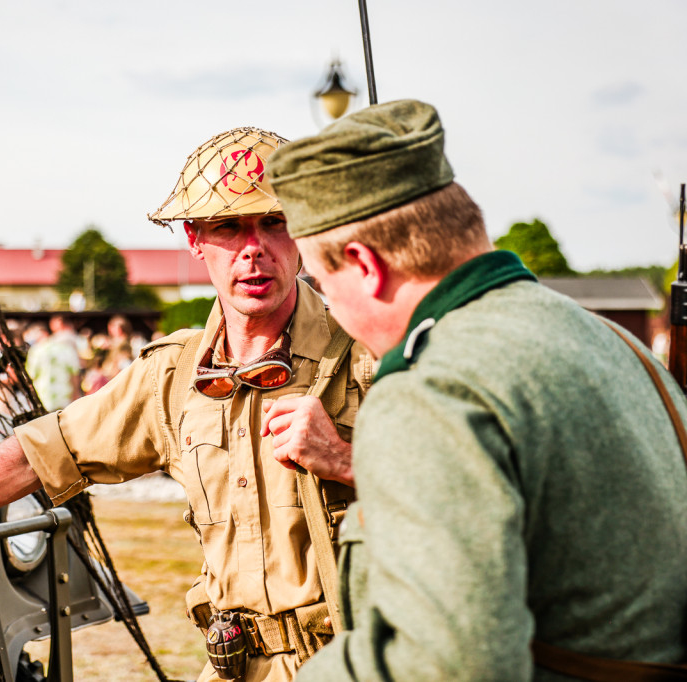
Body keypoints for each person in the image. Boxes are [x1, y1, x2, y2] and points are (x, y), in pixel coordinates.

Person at [0, 127, 371, 682]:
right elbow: (34, 456)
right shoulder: (172, 377)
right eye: (228, 225)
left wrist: (347, 461)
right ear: (194, 238)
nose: (254, 247)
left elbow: (458, 506)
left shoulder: (370, 360)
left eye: (274, 222)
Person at [264, 99, 687, 679]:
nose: (329, 306)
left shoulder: (431, 391)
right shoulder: (618, 343)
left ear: (364, 264)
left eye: (322, 279)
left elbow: (446, 666)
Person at [26, 314, 83, 411]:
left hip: (43, 399)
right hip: (65, 400)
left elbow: (30, 376)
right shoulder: (66, 349)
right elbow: (75, 374)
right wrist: (76, 395)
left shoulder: (36, 350)